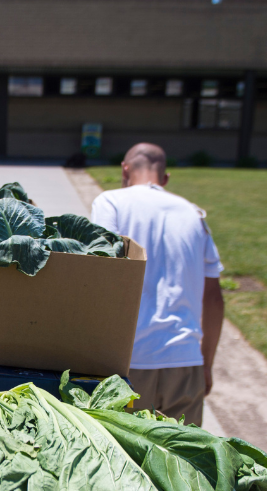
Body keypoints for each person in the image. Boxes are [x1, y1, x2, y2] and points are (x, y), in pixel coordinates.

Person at [90, 142, 224, 426]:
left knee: (123, 464)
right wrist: (206, 365)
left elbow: (101, 276)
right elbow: (213, 298)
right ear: (165, 178)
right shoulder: (194, 215)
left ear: (125, 170)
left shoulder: (110, 203)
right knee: (182, 464)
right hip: (185, 363)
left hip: (128, 364)